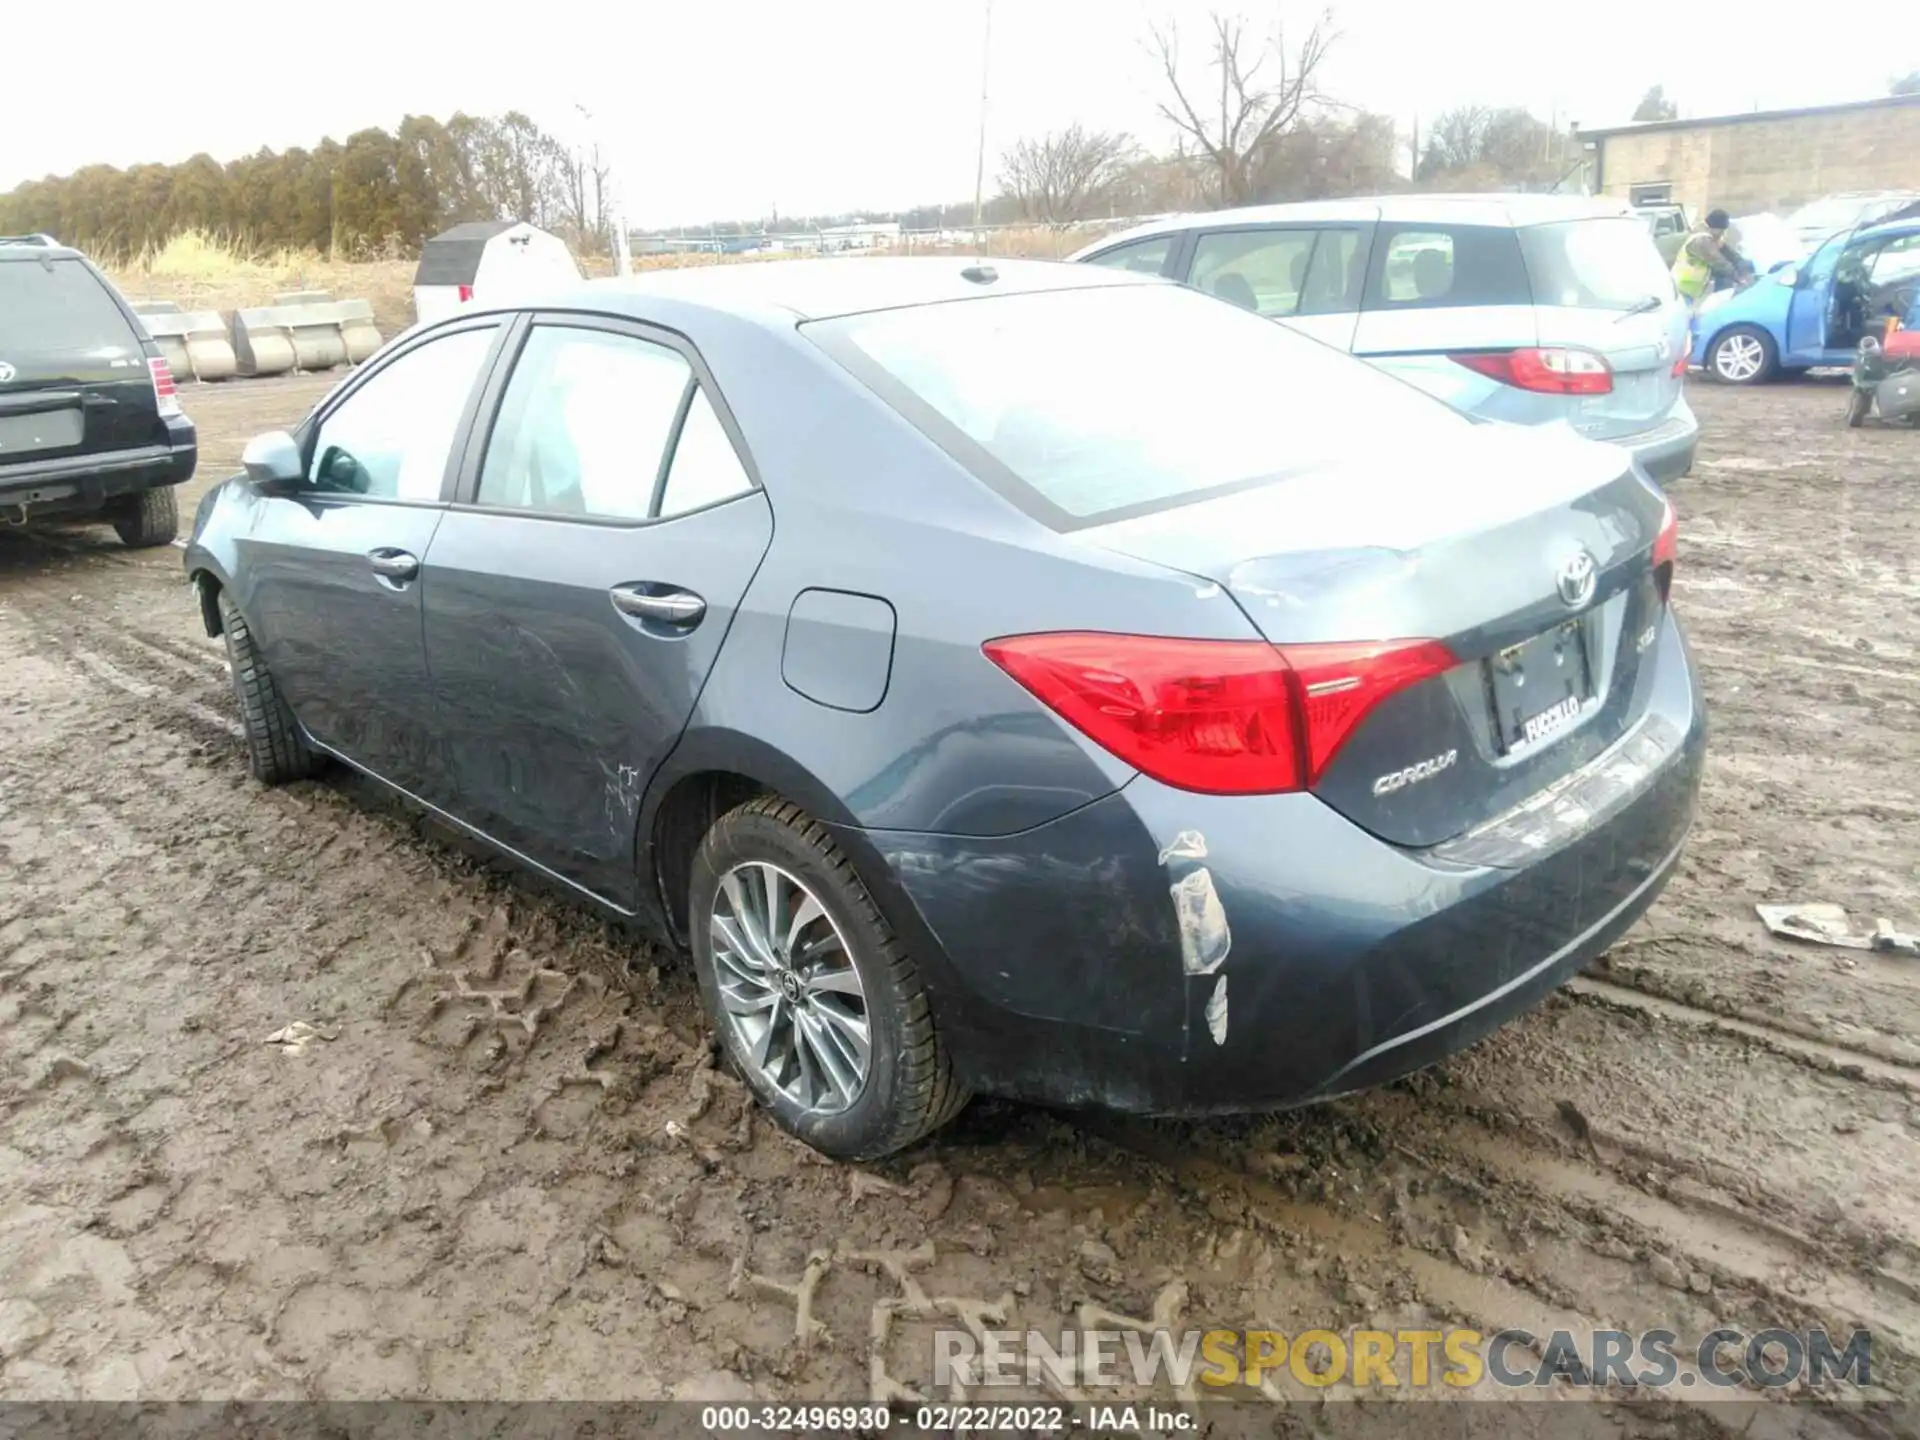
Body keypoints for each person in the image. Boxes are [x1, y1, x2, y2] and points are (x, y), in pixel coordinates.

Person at [1671, 209, 1745, 309]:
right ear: (1715, 227)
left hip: (1689, 288)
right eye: (1722, 230)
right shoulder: (1702, 240)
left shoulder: (1710, 238)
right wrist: (1738, 276)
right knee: (1684, 319)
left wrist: (1740, 262)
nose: (1722, 233)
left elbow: (1725, 250)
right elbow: (1717, 261)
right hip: (1682, 287)